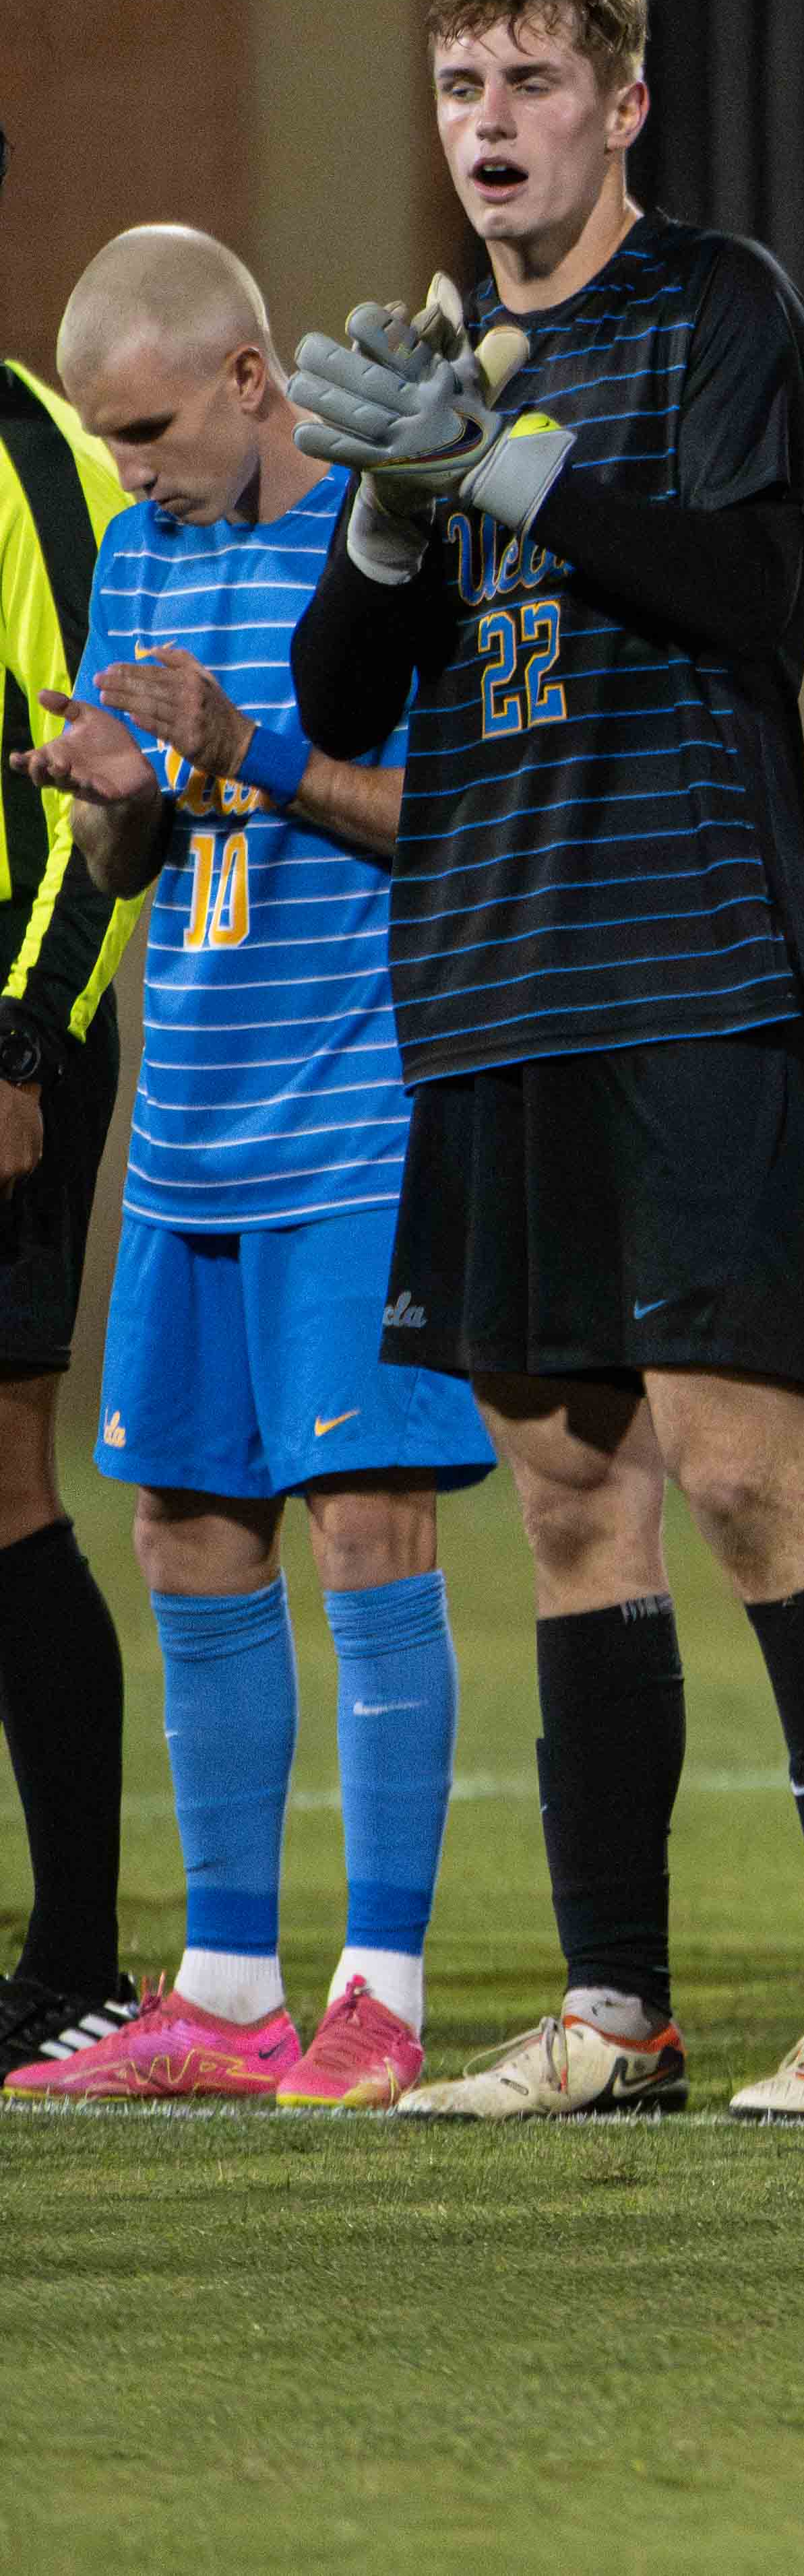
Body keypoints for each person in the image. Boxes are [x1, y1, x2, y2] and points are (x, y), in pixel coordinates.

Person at [284, 0, 804, 2121]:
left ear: (624, 103)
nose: (489, 118)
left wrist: (503, 470)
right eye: (461, 76)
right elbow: (334, 711)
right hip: (485, 982)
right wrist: (390, 516)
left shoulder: (721, 308)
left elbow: (755, 600)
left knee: (748, 1474)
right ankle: (616, 2008)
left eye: (534, 78)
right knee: (573, 1503)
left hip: (687, 966)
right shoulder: (442, 348)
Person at [0, 228, 487, 2110]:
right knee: (187, 1530)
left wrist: (243, 739)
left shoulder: (378, 547)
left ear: (253, 381)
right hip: (193, 1117)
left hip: (355, 1117)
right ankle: (223, 1988)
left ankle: (380, 1982)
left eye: (148, 429)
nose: (127, 468)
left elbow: (435, 822)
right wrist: (121, 797)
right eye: (107, 438)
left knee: (366, 1520)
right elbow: (142, 860)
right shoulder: (142, 551)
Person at [0, 167, 173, 2082]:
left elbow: (87, 779)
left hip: (6, 1016)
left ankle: (73, 1957)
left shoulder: (42, 458)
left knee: (7, 1479)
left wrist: (24, 1038)